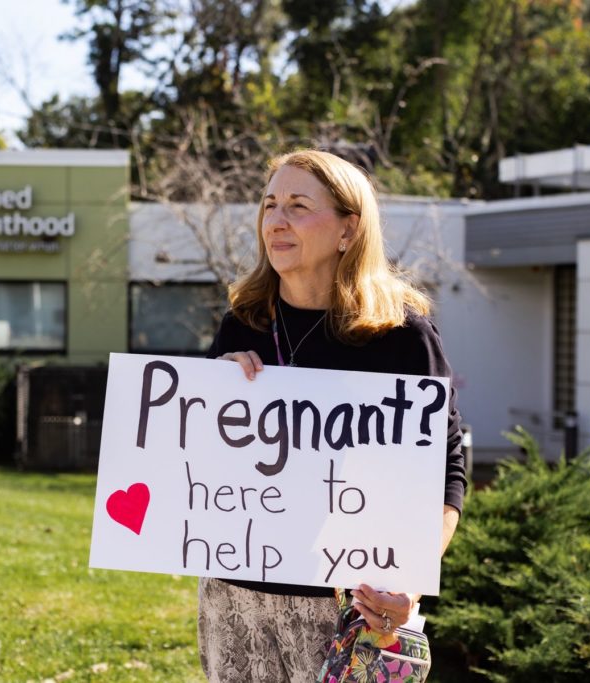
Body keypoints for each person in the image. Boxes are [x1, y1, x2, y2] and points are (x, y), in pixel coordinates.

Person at [198, 149, 466, 682]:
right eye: (270, 204)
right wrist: (211, 396)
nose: (276, 219)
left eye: (298, 205)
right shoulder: (243, 323)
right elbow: (201, 464)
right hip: (233, 598)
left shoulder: (401, 337)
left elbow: (445, 470)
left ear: (349, 228)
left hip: (348, 604)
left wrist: (408, 584)